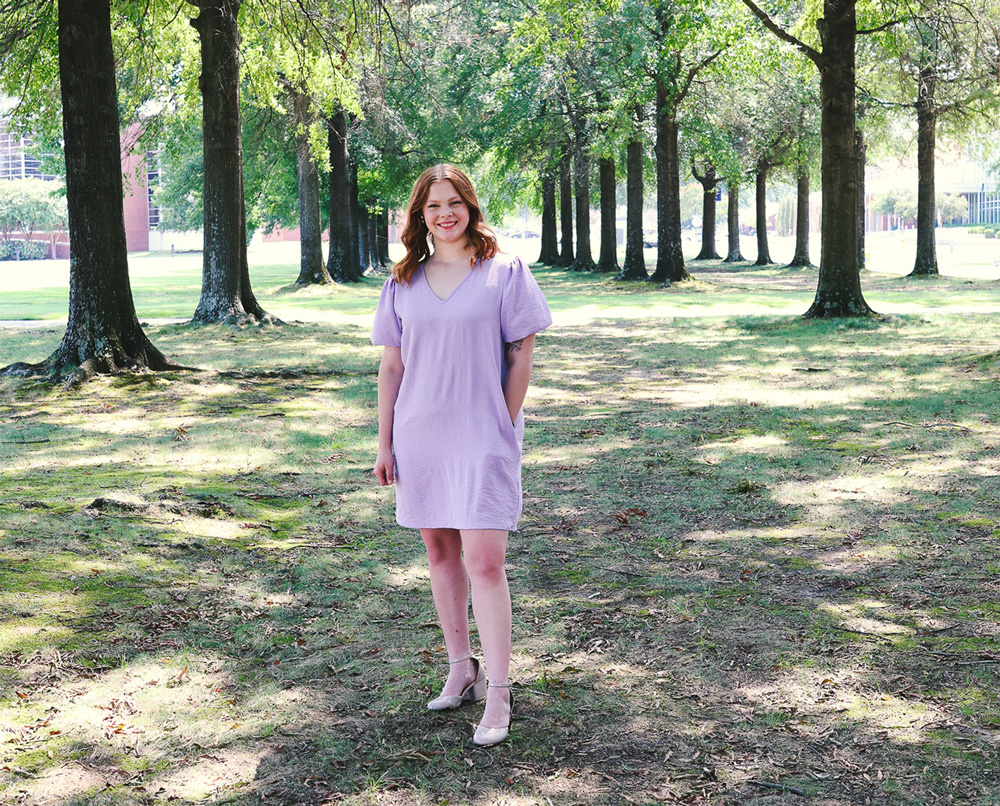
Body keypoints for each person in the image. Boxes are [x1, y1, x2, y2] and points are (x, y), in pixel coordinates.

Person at [371, 164, 552, 747]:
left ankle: (498, 689)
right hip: (419, 431)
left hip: (483, 432)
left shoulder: (505, 273)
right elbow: (392, 367)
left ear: (471, 207)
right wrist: (384, 443)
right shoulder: (403, 281)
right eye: (432, 207)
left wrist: (503, 420)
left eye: (454, 203)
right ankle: (460, 666)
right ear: (419, 217)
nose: (444, 214)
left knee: (486, 562)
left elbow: (522, 357)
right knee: (440, 549)